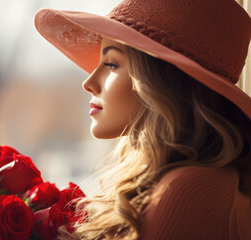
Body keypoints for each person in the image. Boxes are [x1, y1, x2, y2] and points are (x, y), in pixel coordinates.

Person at [34, 0, 251, 239]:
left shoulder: (186, 190)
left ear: (162, 83)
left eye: (111, 64)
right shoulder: (184, 180)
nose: (89, 83)